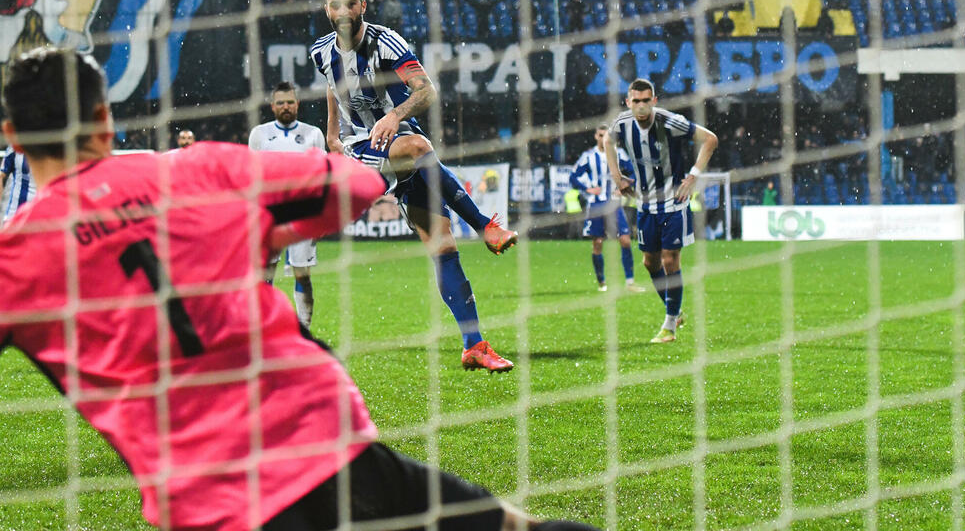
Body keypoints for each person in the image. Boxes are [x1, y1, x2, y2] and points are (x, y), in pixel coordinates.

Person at [0, 47, 598, 531]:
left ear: (13, 137)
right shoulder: (195, 170)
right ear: (104, 118)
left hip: (210, 498)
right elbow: (351, 186)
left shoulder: (16, 257)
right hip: (326, 437)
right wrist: (259, 226)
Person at [311, 0, 517, 372]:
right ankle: (484, 227)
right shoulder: (321, 51)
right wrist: (332, 134)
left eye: (351, 4)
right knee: (420, 147)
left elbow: (426, 91)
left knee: (444, 249)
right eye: (335, 5)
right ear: (327, 10)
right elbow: (331, 87)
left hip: (397, 141)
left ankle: (474, 345)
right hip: (361, 147)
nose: (343, 12)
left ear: (363, 7)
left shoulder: (387, 42)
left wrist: (393, 115)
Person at [605, 78, 718, 342]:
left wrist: (693, 176)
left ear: (654, 101)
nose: (641, 106)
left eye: (646, 100)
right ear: (628, 102)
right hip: (645, 204)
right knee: (650, 263)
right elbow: (608, 141)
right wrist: (617, 177)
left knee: (670, 260)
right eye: (636, 101)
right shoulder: (622, 124)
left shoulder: (670, 122)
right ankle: (675, 311)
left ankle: (669, 326)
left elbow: (710, 140)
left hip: (673, 202)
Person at [248, 81, 326, 327]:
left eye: (290, 102)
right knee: (265, 275)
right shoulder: (259, 134)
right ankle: (265, 328)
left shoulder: (313, 134)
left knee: (302, 275)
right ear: (272, 106)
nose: (285, 107)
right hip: (270, 213)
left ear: (297, 104)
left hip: (303, 213)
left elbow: (323, 177)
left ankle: (304, 328)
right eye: (280, 103)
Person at [570, 126, 646, 294]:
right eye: (600, 135)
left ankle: (630, 282)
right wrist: (587, 189)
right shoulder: (588, 156)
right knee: (597, 243)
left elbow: (634, 172)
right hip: (596, 204)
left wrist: (624, 185)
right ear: (596, 136)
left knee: (625, 240)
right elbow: (573, 177)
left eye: (606, 135)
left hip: (614, 204)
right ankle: (601, 281)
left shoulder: (619, 153)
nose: (603, 138)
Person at [0, 144, 34, 222]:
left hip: (42, 215)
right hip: (14, 214)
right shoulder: (14, 147)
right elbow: (1, 175)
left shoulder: (50, 147)